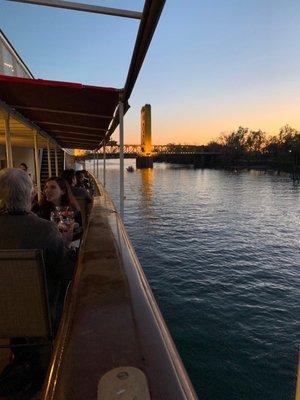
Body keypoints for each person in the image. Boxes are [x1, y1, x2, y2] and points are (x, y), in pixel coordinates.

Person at [0, 168, 76, 398]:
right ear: (32, 195)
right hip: (40, 318)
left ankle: (18, 355)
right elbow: (67, 273)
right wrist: (66, 242)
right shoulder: (45, 230)